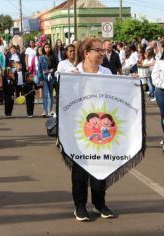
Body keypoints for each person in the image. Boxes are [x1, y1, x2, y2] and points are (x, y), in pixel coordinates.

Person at [68, 37, 114, 222]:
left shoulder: (107, 72)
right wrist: (74, 82)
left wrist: (132, 83)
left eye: (103, 50)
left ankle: (99, 203)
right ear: (87, 53)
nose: (102, 54)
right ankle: (80, 205)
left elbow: (117, 93)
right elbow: (65, 100)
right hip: (79, 128)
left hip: (102, 126)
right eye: (98, 50)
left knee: (100, 163)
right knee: (80, 166)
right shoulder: (72, 73)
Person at [37, 43, 57, 117]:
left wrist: (53, 70)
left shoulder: (53, 57)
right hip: (44, 77)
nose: (47, 49)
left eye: (49, 47)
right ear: (44, 49)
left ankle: (49, 110)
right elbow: (39, 69)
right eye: (46, 47)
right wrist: (40, 79)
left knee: (50, 94)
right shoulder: (41, 58)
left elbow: (56, 66)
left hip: (51, 77)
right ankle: (45, 110)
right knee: (45, 94)